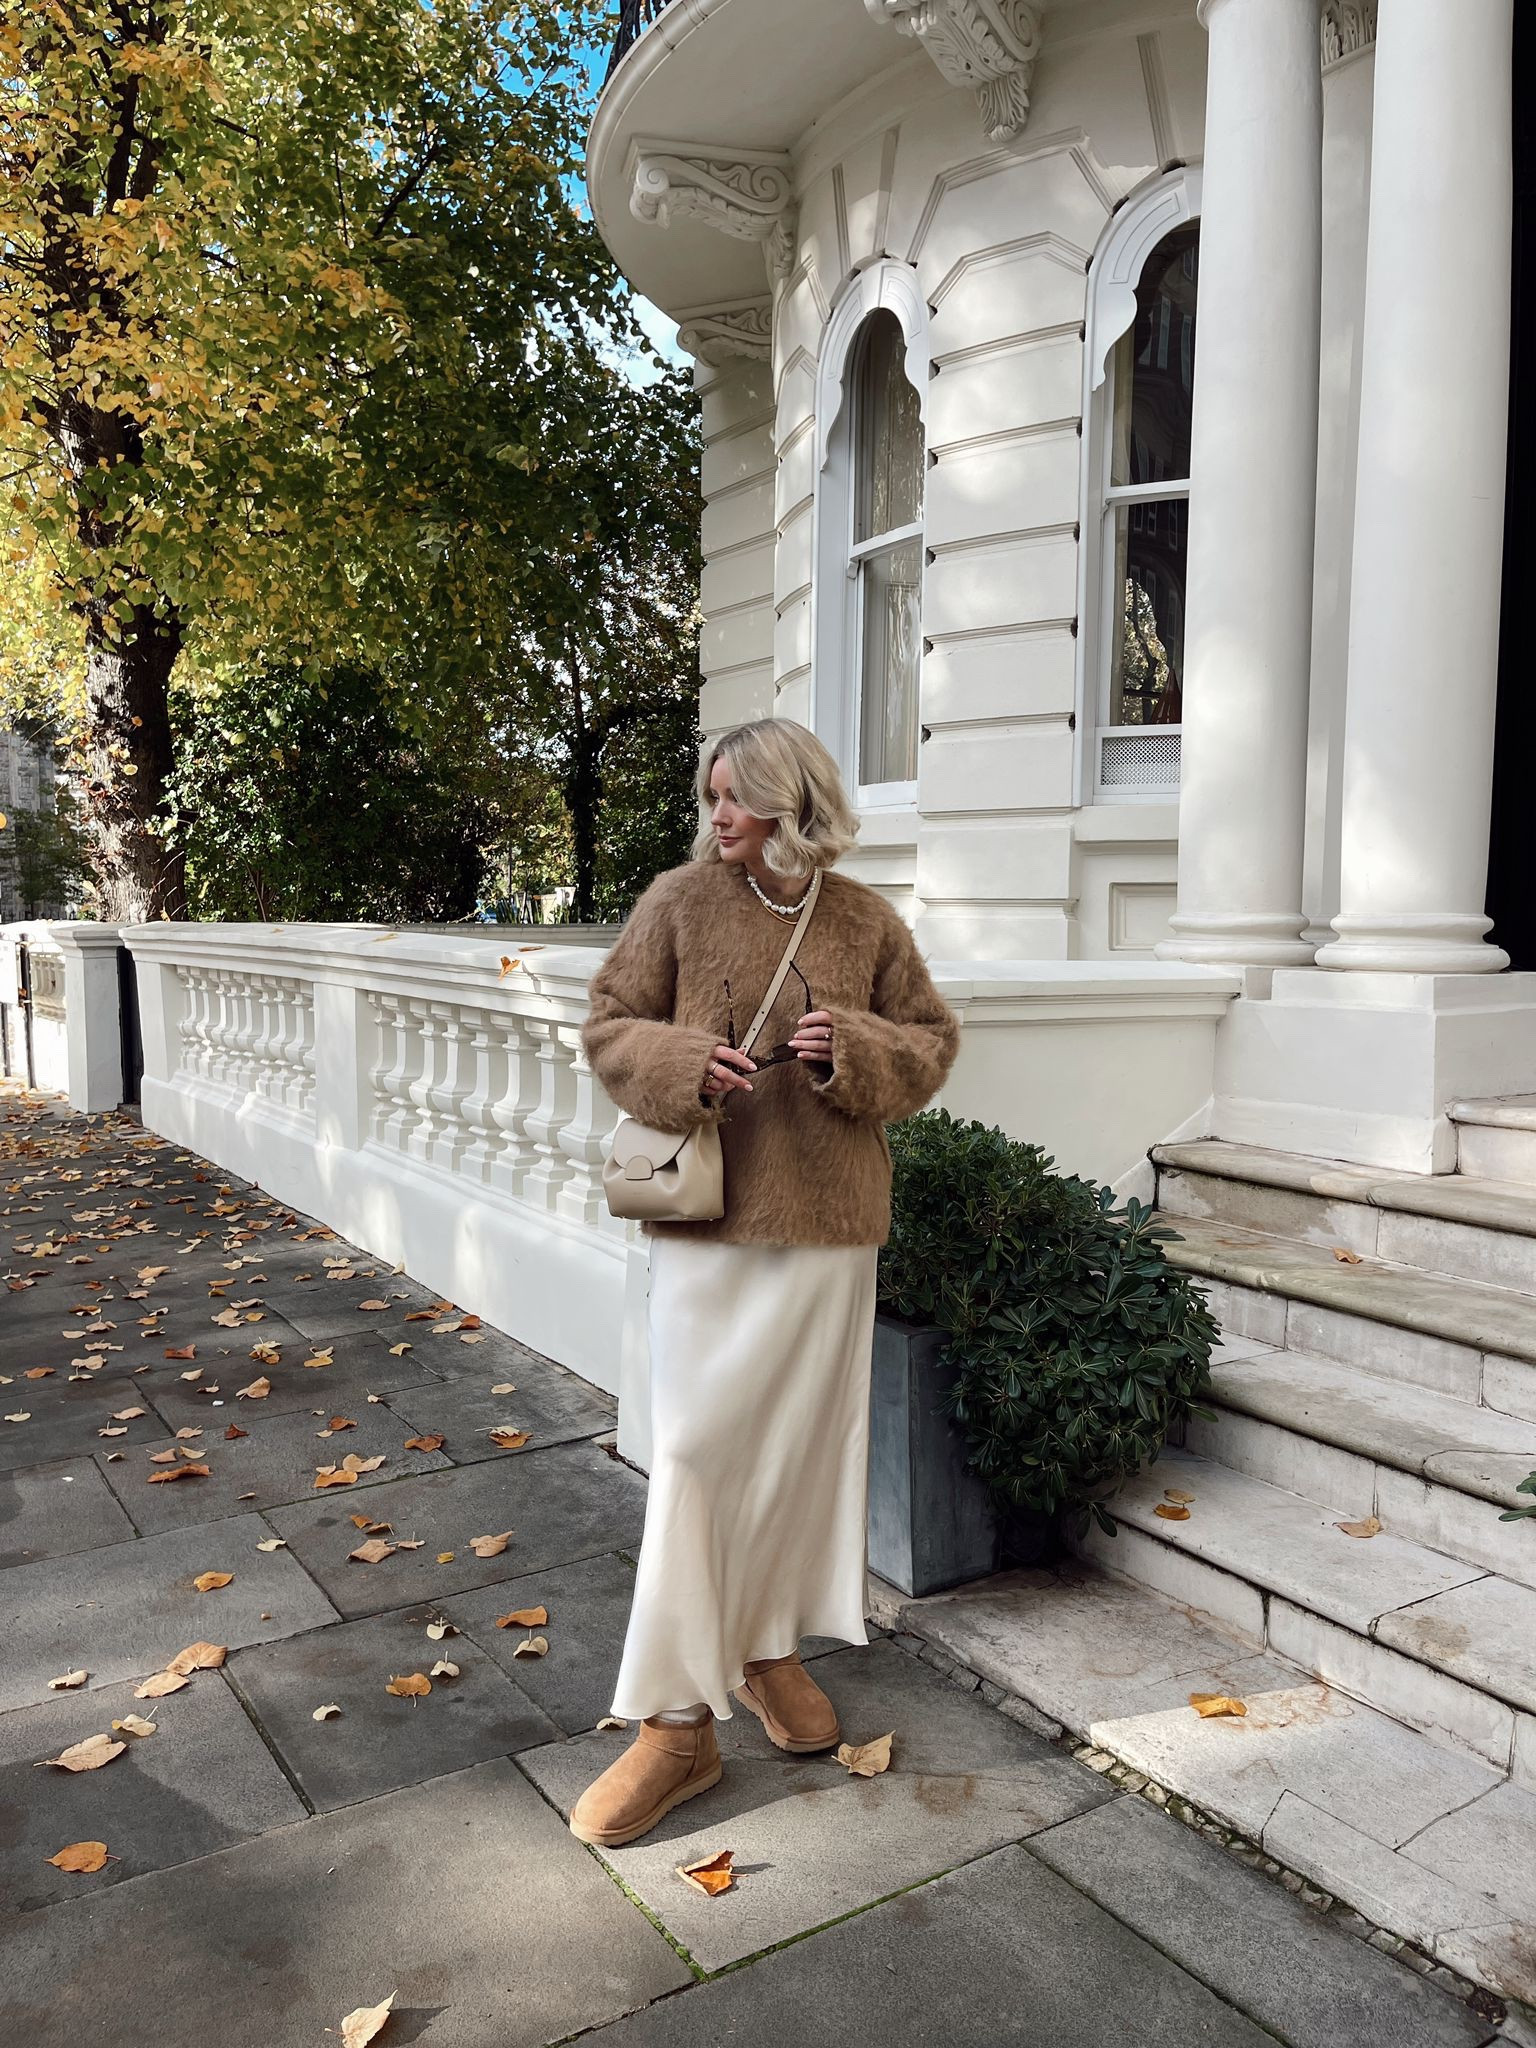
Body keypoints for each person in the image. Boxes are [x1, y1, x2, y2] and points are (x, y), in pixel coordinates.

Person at [569, 717, 960, 1848]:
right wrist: (687, 1064)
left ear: (792, 800)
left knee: (797, 1459)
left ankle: (766, 1648)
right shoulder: (680, 902)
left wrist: (858, 1053)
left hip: (834, 1230)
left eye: (736, 792)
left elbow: (931, 1041)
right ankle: (677, 1724)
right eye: (713, 792)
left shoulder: (865, 919)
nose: (717, 810)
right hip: (713, 1228)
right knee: (694, 1457)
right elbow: (606, 1025)